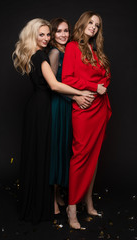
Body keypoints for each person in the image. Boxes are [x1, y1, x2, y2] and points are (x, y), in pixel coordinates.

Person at [12, 18, 94, 224]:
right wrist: (79, 93)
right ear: (33, 35)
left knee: (41, 154)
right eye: (43, 34)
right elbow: (55, 86)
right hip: (43, 107)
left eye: (48, 34)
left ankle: (45, 200)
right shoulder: (43, 54)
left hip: (38, 106)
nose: (47, 38)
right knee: (46, 152)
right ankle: (48, 203)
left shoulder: (36, 53)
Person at [62, 11, 112, 229]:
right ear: (82, 23)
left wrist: (100, 85)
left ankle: (88, 201)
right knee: (80, 155)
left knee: (94, 157)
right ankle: (71, 207)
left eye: (97, 25)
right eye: (90, 22)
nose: (93, 27)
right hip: (84, 108)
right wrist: (93, 86)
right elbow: (68, 78)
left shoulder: (96, 50)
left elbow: (107, 75)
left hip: (100, 108)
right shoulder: (73, 47)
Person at [48, 17, 95, 216]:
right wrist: (75, 96)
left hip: (71, 106)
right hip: (59, 104)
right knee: (56, 149)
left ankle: (62, 194)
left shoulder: (72, 50)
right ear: (52, 34)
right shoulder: (54, 52)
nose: (63, 35)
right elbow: (52, 86)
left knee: (67, 149)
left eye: (66, 30)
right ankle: (53, 199)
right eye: (58, 31)